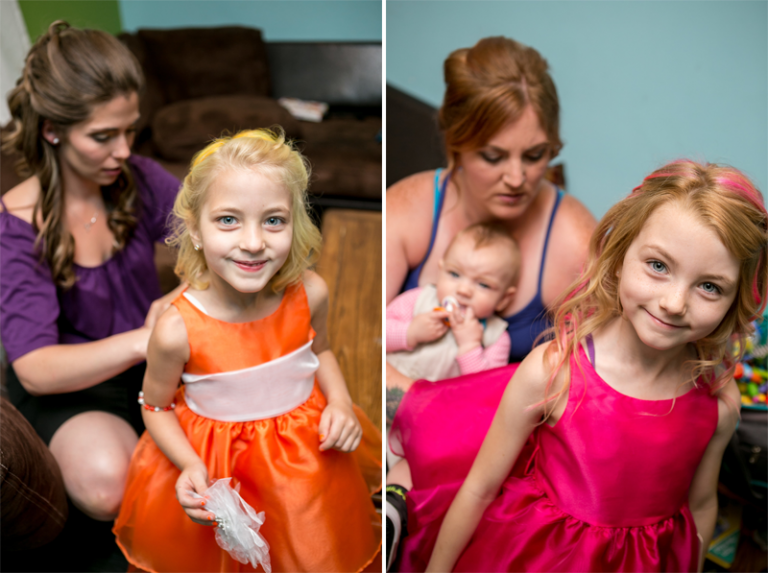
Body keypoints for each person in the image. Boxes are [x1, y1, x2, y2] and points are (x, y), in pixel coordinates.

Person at [398, 159, 767, 573]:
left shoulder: (718, 400)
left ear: (735, 301)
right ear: (620, 255)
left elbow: (701, 506)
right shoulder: (553, 372)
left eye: (709, 286)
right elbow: (479, 490)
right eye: (658, 266)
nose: (674, 303)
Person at [113, 128, 384, 573]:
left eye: (273, 220)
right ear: (195, 229)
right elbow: (155, 406)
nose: (254, 242)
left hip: (305, 462)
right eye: (228, 220)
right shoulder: (176, 329)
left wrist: (339, 402)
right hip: (217, 467)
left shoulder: (311, 292)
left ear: (295, 223)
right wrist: (188, 464)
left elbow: (323, 351)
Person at [383, 36, 596, 570]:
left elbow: (595, 384)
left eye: (536, 155)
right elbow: (352, 342)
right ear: (456, 143)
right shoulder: (408, 211)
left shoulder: (571, 239)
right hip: (392, 428)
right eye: (493, 156)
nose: (518, 178)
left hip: (499, 453)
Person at [0, 20, 184, 524]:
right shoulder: (16, 226)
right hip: (72, 390)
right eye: (103, 136)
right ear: (52, 130)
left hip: (152, 366)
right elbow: (36, 369)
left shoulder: (139, 178)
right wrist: (144, 340)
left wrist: (182, 295)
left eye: (130, 130)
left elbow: (212, 244)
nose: (123, 151)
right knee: (109, 484)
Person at [385, 221, 520, 382]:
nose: (463, 290)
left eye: (483, 284)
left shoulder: (496, 337)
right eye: (454, 274)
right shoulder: (418, 300)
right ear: (440, 271)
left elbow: (488, 387)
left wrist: (470, 346)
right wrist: (410, 332)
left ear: (504, 299)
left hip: (442, 398)